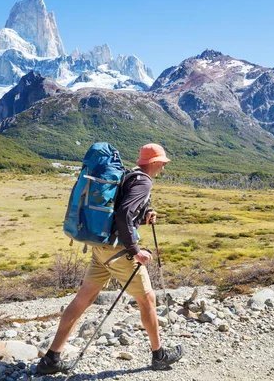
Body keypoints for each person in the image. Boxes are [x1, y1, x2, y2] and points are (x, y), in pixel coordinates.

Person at [37, 143, 184, 374]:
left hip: (101, 249)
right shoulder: (144, 181)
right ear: (154, 162)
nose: (163, 168)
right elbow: (124, 213)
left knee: (82, 300)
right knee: (147, 300)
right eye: (162, 163)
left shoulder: (128, 176)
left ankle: (51, 359)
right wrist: (135, 250)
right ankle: (159, 355)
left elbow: (118, 212)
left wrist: (144, 216)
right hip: (119, 252)